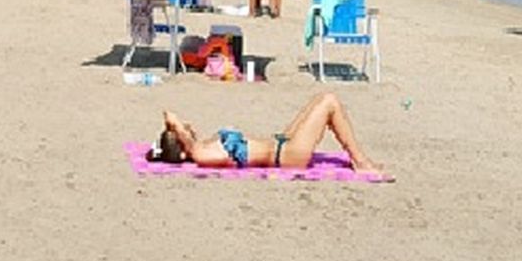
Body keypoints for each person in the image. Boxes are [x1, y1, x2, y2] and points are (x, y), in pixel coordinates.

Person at [147, 91, 389, 176]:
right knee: (329, 102)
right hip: (287, 156)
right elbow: (176, 123)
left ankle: (360, 160)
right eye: (182, 131)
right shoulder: (200, 154)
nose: (188, 127)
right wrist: (173, 124)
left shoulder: (204, 147)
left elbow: (184, 134)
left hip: (282, 143)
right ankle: (361, 161)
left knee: (319, 99)